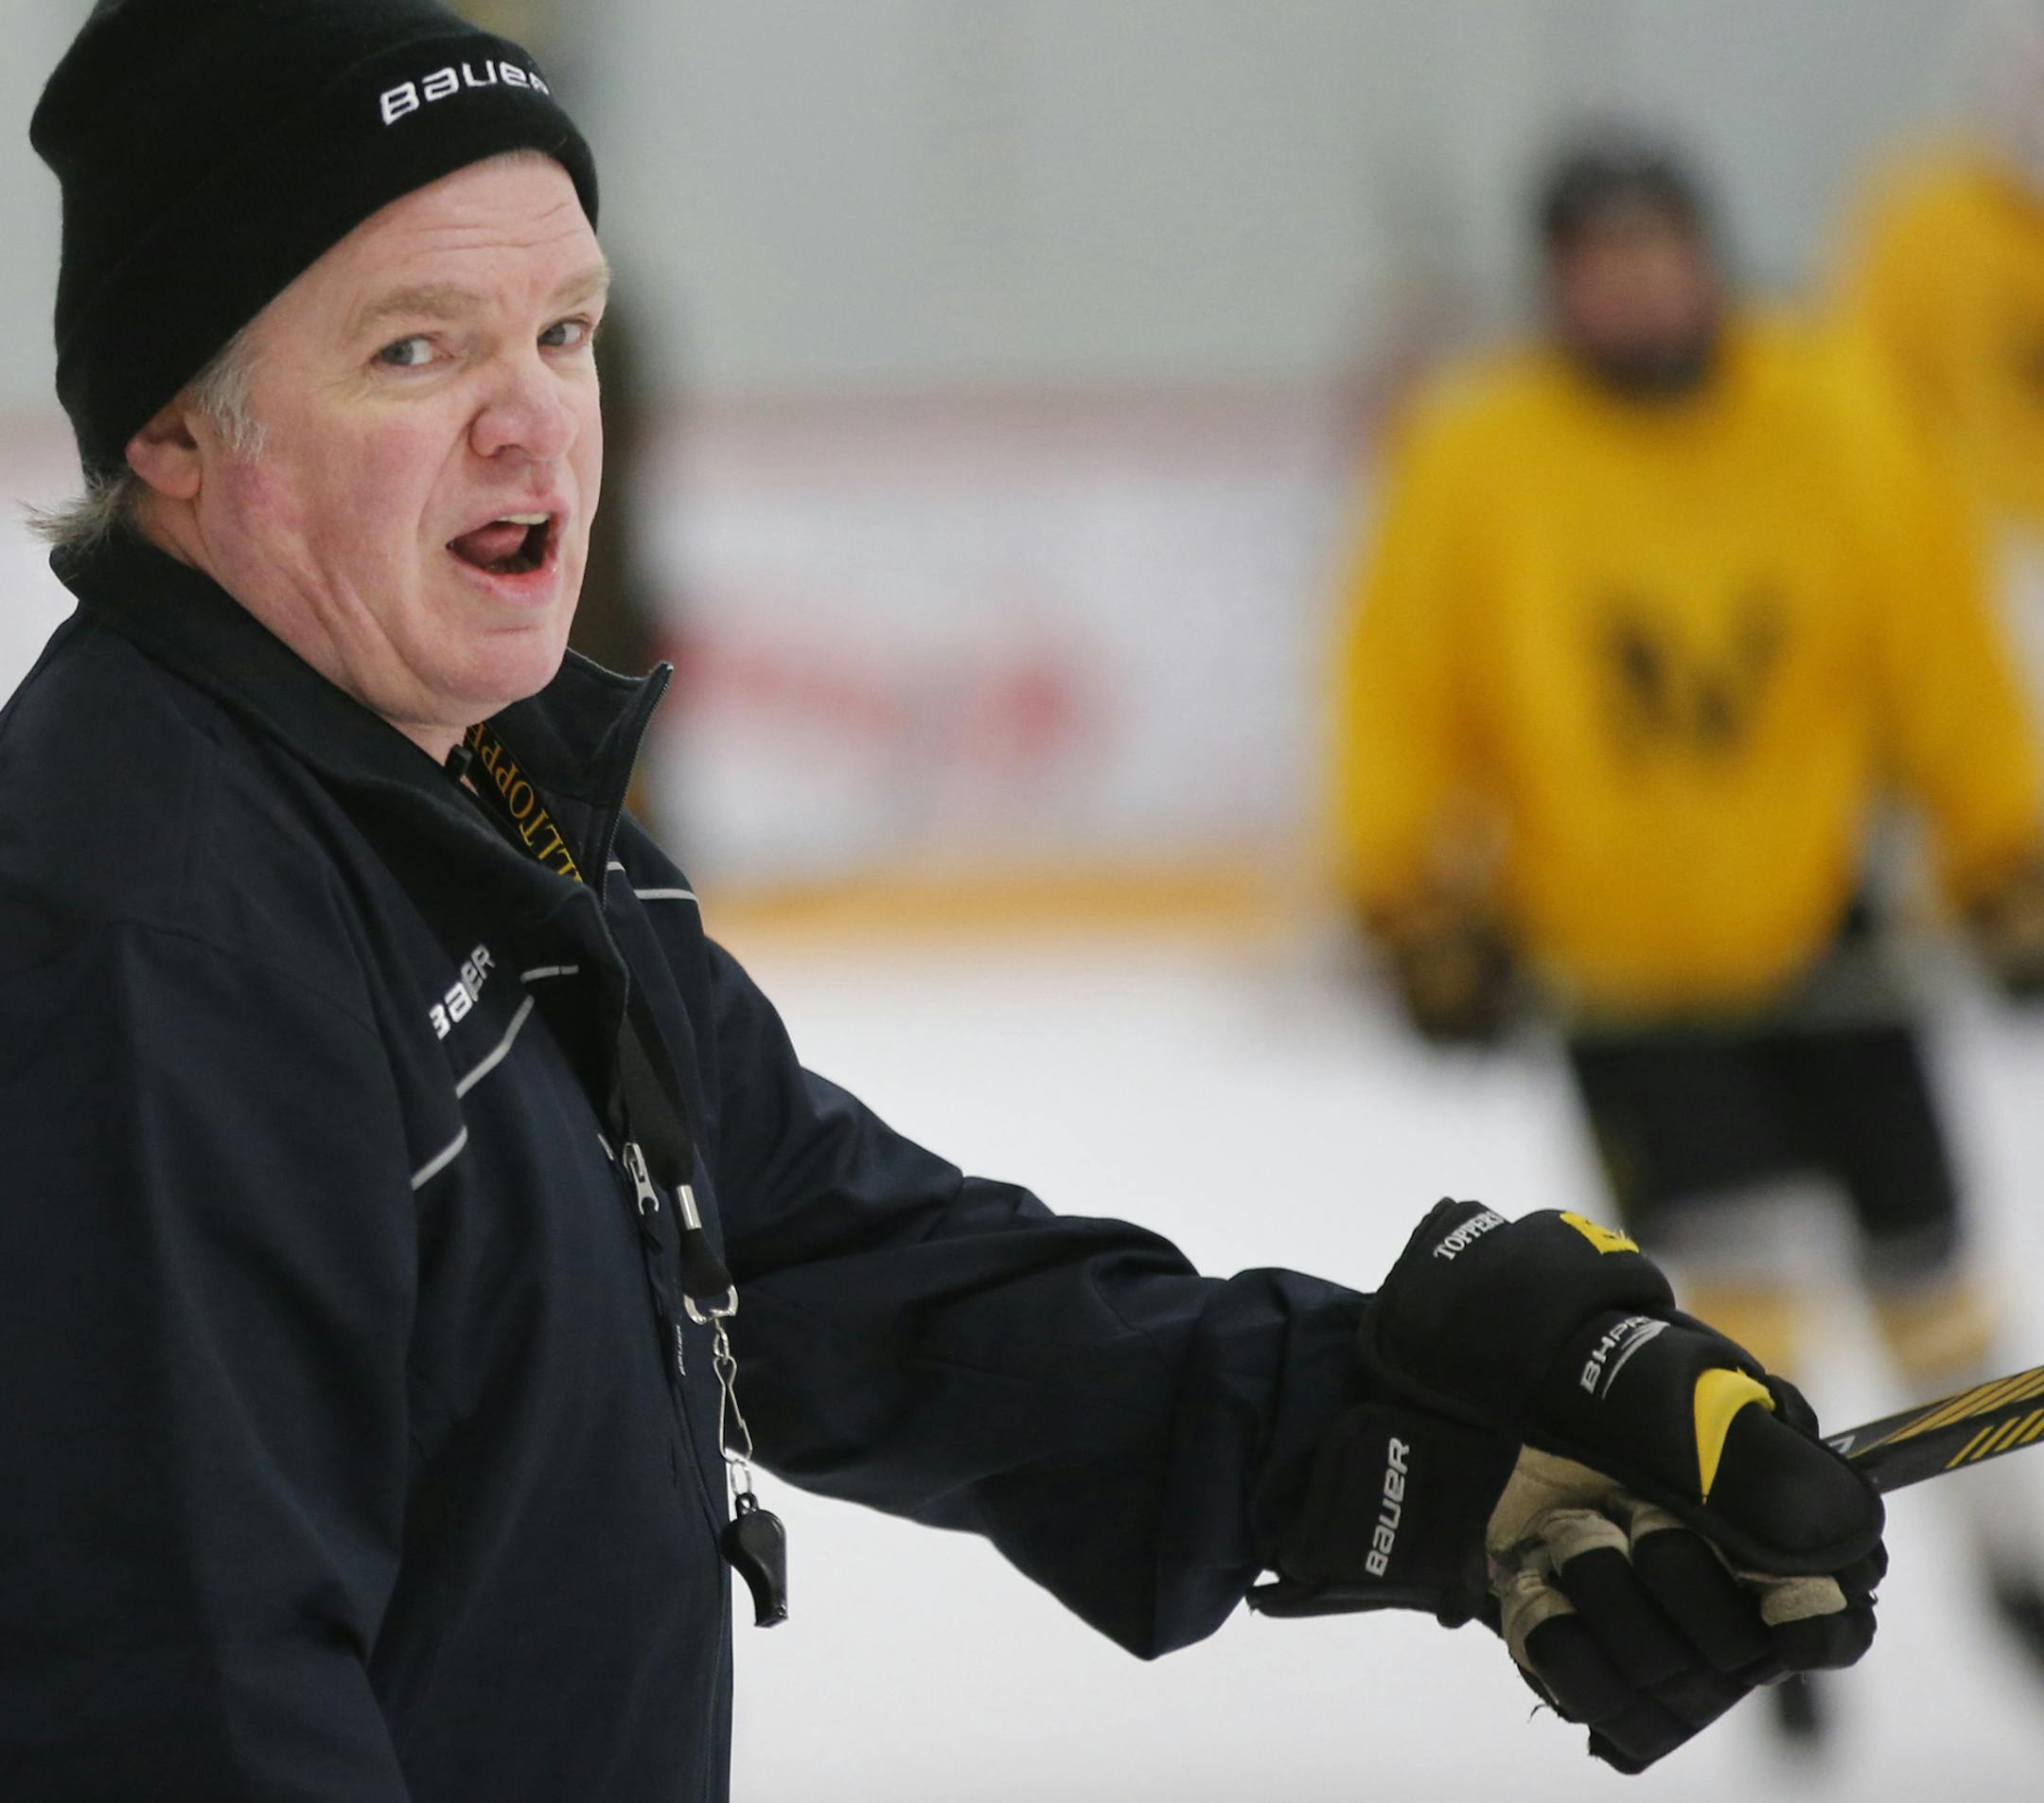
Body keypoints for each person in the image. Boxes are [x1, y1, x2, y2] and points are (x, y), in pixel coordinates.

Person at [1, 12, 1883, 1797]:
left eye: (565, 333)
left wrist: (1397, 1443)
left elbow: (821, 1252)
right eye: (417, 350)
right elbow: (182, 1712)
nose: (530, 424)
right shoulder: (152, 943)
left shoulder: (468, 789)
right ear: (177, 433)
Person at [1330, 129, 2044, 1744]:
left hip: (1819, 927)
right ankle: (1771, 1602)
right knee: (1750, 1286)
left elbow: (1936, 638)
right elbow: (1399, 685)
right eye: (1605, 259)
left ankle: (2017, 1566)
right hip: (1625, 967)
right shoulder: (1480, 451)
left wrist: (2002, 853)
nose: (1642, 287)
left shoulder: (1832, 405)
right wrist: (1416, 902)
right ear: (1557, 282)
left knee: (1934, 1266)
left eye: (1665, 250)